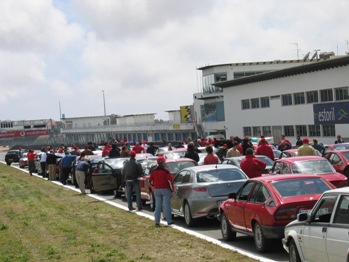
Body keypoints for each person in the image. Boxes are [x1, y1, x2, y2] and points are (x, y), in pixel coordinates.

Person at [149, 156, 174, 226]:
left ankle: (157, 222)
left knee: (157, 206)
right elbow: (170, 181)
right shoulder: (166, 171)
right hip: (165, 189)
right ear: (163, 162)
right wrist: (172, 190)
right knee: (166, 206)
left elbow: (150, 181)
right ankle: (169, 220)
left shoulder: (154, 171)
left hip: (157, 189)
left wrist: (154, 186)